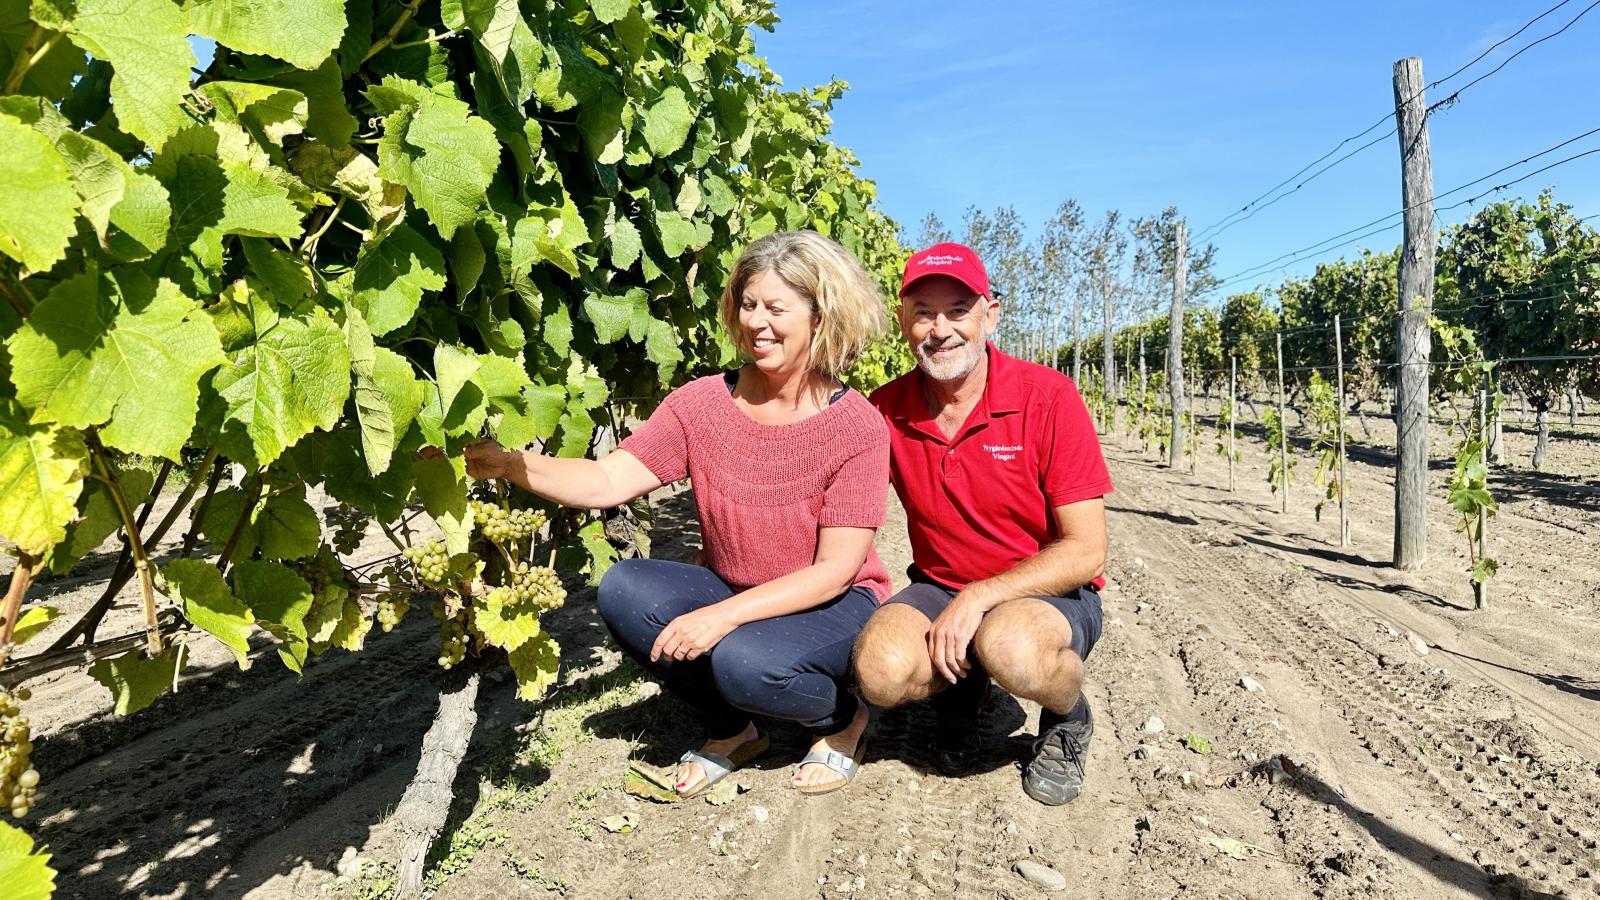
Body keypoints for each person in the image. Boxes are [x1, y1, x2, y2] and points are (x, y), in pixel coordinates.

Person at [459, 231, 892, 797]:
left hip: (833, 600)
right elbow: (609, 479)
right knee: (625, 590)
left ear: (821, 317)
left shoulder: (855, 426)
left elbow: (834, 569)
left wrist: (723, 617)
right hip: (734, 581)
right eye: (748, 304)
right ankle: (735, 730)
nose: (757, 322)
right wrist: (512, 464)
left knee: (746, 662)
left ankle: (841, 721)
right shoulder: (702, 405)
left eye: (777, 308)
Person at [852, 242, 1113, 806]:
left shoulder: (1048, 398)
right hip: (940, 585)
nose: (940, 329)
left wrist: (978, 598)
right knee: (879, 669)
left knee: (1013, 647)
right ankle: (965, 689)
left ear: (989, 315)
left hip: (1047, 593)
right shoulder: (885, 409)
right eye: (923, 311)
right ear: (903, 321)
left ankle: (1069, 716)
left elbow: (1088, 551)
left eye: (958, 310)